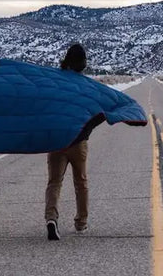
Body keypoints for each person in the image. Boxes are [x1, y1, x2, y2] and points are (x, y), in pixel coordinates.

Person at [44, 43, 105, 240]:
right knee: (81, 182)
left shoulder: (54, 83)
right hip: (78, 142)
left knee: (54, 182)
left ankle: (51, 218)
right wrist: (87, 129)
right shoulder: (86, 86)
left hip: (57, 141)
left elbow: (45, 109)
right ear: (82, 63)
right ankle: (81, 222)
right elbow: (98, 111)